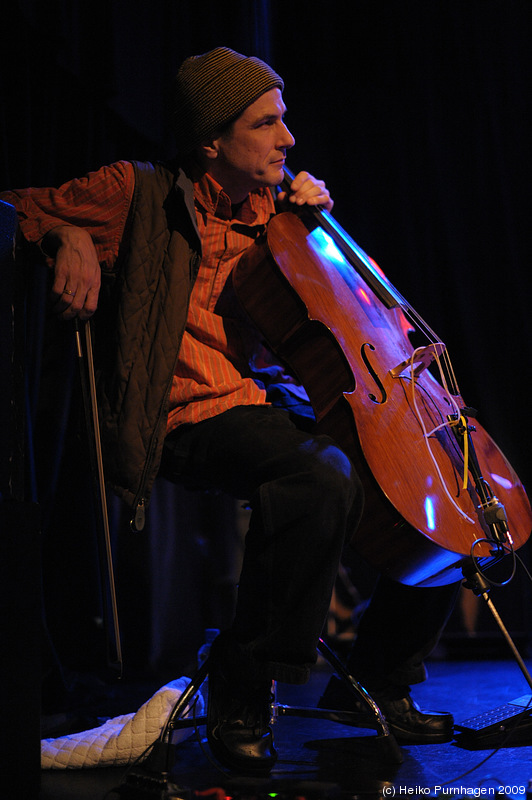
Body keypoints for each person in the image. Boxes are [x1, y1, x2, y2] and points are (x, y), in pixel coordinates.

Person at [1, 47, 458, 774]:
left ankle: (381, 675)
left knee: (437, 481)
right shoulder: (137, 192)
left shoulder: (279, 214)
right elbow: (15, 208)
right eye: (267, 123)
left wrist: (323, 233)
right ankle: (242, 690)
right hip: (182, 416)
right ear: (213, 139)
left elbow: (357, 320)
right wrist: (68, 236)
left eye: (285, 120)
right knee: (319, 477)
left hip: (268, 406)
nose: (288, 138)